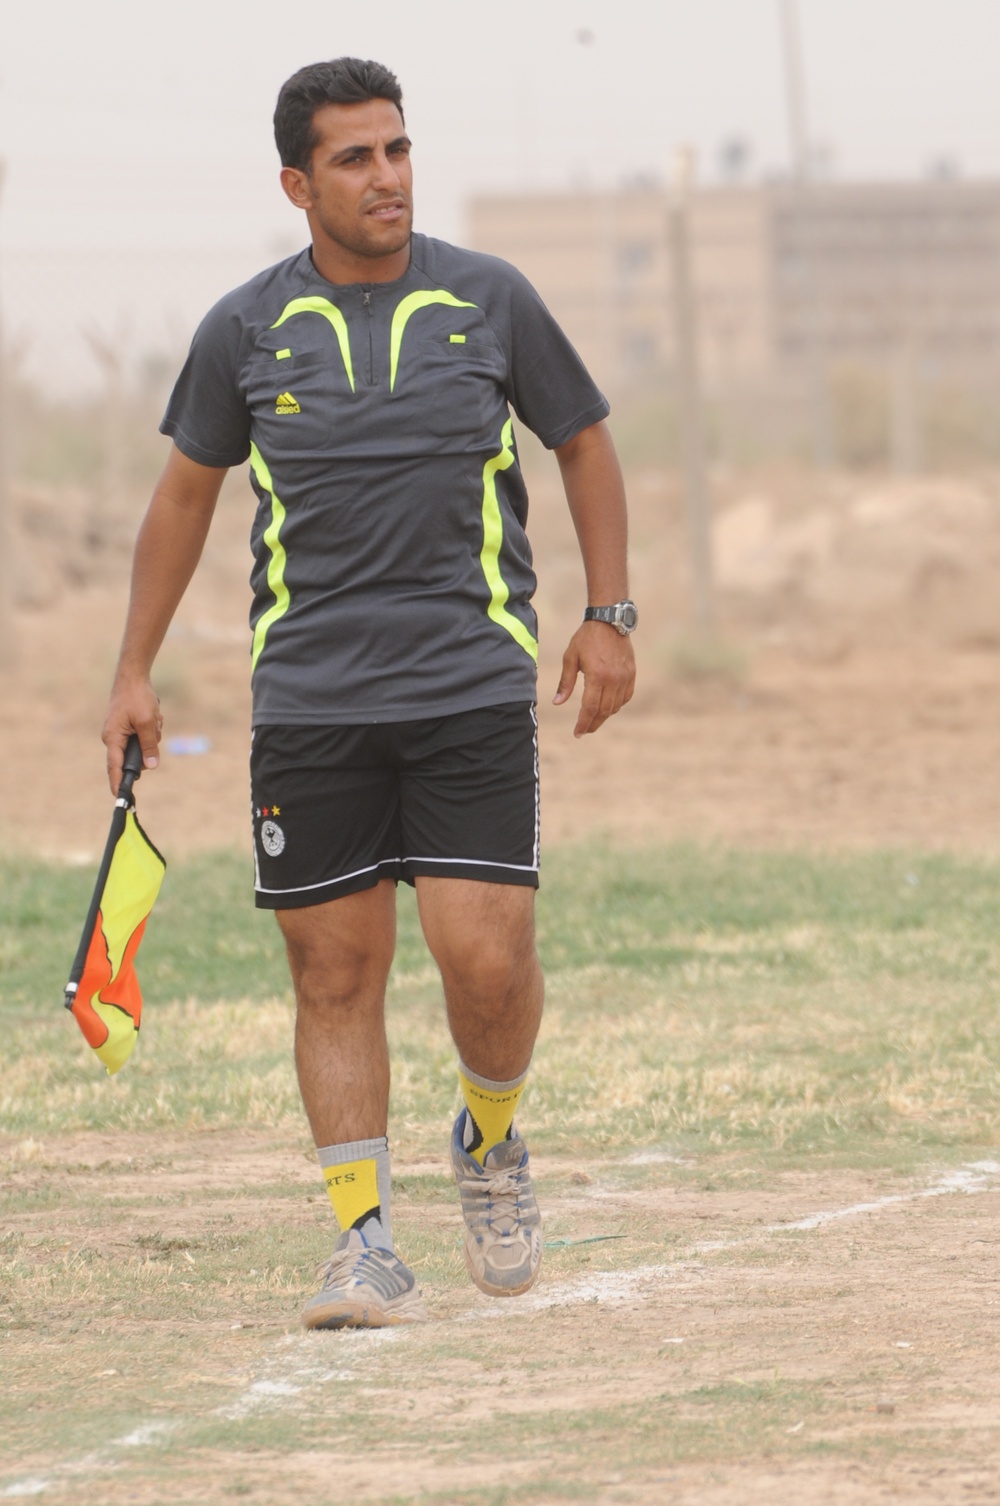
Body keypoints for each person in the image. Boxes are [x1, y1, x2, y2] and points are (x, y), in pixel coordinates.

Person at [102, 56, 637, 1330]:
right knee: (332, 972)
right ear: (298, 184)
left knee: (487, 960)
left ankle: (491, 1142)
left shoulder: (488, 299)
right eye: (355, 158)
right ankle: (362, 1241)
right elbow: (182, 497)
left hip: (467, 682)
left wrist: (609, 614)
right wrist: (132, 667)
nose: (387, 176)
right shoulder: (243, 329)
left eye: (397, 149)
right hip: (309, 699)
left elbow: (583, 441)